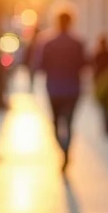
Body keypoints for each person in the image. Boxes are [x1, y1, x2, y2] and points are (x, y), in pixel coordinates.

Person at [31, 9, 88, 173]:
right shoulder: (78, 43)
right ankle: (66, 151)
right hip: (72, 89)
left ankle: (63, 151)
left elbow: (40, 65)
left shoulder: (48, 43)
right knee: (69, 124)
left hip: (54, 89)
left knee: (55, 123)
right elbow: (84, 64)